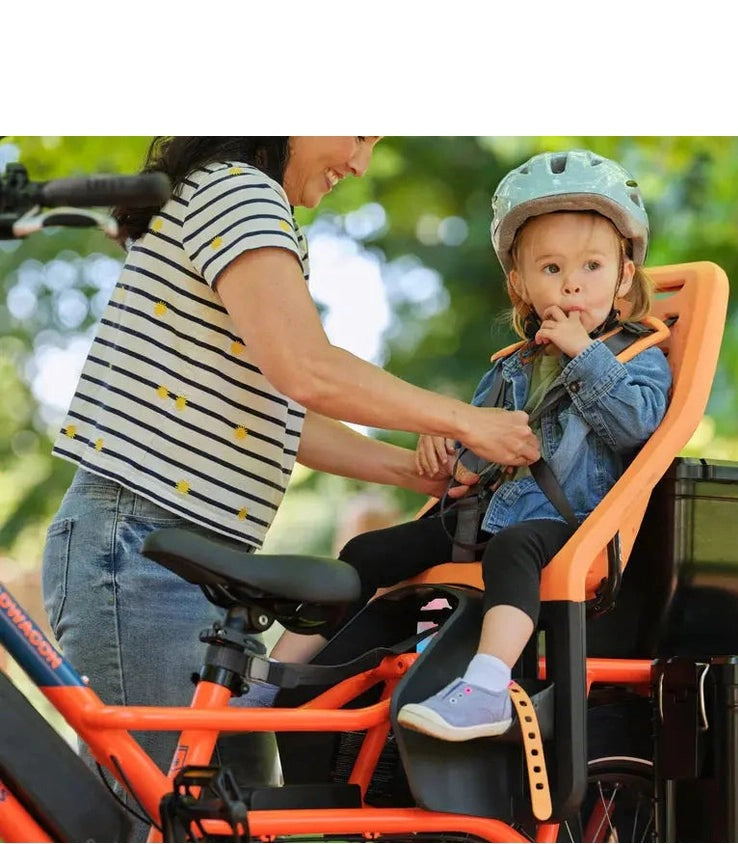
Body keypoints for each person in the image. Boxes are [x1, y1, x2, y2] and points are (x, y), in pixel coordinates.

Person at [40, 137, 540, 800]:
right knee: (164, 822)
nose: (361, 163)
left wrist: (415, 472)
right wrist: (463, 419)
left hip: (176, 557)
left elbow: (276, 416)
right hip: (140, 550)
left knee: (226, 819)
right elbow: (306, 368)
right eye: (358, 131)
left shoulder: (236, 200)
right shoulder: (238, 192)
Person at [270, 149, 673, 742]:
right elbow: (479, 446)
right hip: (486, 516)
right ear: (520, 283)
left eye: (591, 266)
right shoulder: (514, 365)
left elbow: (637, 426)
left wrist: (584, 354)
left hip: (571, 527)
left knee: (514, 550)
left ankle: (485, 688)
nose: (573, 284)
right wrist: (448, 445)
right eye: (552, 269)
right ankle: (276, 676)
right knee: (369, 550)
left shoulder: (639, 356)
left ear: (622, 278)